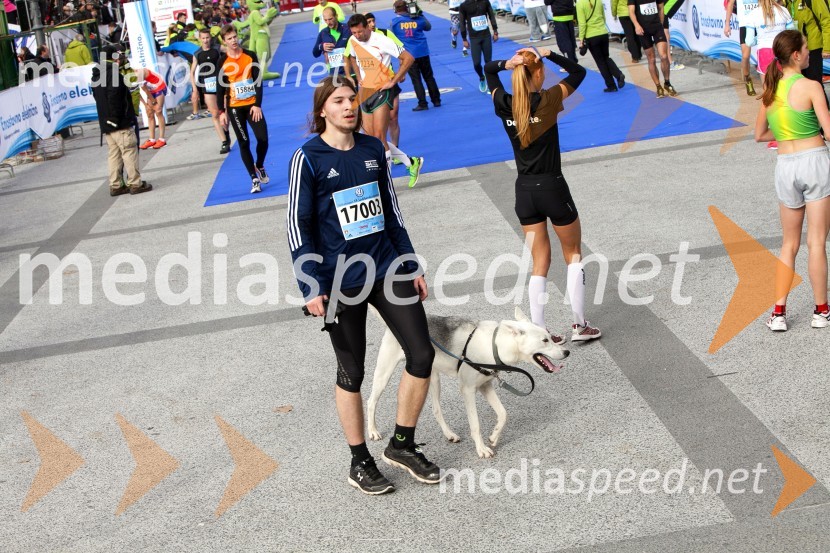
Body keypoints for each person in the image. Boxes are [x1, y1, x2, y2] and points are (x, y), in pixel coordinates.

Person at [287, 76, 441, 495]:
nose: (349, 106)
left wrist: (410, 262)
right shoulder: (308, 158)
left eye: (352, 99)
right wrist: (310, 285)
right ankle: (359, 461)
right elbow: (298, 225)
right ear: (323, 110)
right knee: (352, 372)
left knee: (422, 353)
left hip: (387, 266)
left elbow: (391, 212)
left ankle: (402, 444)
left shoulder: (373, 148)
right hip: (339, 279)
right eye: (338, 100)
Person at [484, 47, 602, 342]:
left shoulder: (503, 103)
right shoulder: (548, 100)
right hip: (552, 186)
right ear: (538, 74)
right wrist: (550, 53)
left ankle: (539, 329)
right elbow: (579, 72)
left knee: (539, 262)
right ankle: (579, 325)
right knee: (573, 253)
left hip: (524, 192)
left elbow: (488, 70)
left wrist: (506, 63)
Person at [754, 30, 830, 331]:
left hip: (785, 166)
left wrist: (787, 133)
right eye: (806, 48)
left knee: (789, 244)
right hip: (814, 163)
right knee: (816, 242)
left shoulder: (770, 89)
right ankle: (820, 311)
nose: (810, 52)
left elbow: (760, 135)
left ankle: (778, 313)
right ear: (796, 55)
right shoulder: (811, 86)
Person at [344, 14, 423, 187]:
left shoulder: (382, 40)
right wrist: (358, 78)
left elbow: (408, 58)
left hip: (382, 90)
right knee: (370, 139)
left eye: (360, 32)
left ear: (367, 27)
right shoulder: (352, 40)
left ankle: (385, 183)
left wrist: (393, 81)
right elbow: (352, 57)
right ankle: (411, 162)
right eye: (354, 32)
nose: (357, 35)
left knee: (380, 135)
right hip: (365, 91)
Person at [91, 47, 152, 196]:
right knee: (129, 151)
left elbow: (98, 97)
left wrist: (109, 119)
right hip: (119, 122)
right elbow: (115, 97)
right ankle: (135, 183)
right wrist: (117, 118)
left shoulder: (96, 75)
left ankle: (116, 185)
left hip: (106, 122)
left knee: (114, 154)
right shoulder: (113, 73)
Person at [216, 25, 270, 194]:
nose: (233, 41)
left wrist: (257, 104)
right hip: (235, 107)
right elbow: (220, 88)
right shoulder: (222, 61)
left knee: (263, 139)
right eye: (229, 39)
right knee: (243, 142)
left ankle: (259, 164)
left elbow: (258, 81)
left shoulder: (250, 55)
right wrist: (221, 112)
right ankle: (254, 178)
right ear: (224, 42)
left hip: (252, 104)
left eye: (234, 37)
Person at [391, 0, 441, 110]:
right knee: (429, 77)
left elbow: (393, 39)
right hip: (422, 52)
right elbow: (428, 27)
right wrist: (420, 14)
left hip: (409, 55)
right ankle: (436, 100)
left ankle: (423, 103)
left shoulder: (394, 23)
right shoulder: (418, 19)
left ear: (395, 10)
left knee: (416, 80)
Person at [365, 12, 405, 151]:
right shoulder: (357, 39)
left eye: (373, 21)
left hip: (390, 81)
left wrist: (401, 72)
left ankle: (396, 149)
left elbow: (402, 51)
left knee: (393, 118)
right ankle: (383, 150)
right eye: (368, 22)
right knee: (378, 125)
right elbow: (349, 57)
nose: (372, 24)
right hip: (371, 86)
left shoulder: (385, 33)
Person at [192, 27, 232, 154]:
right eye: (203, 38)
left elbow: (232, 50)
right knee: (215, 114)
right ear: (200, 39)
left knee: (225, 111)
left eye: (207, 38)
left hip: (221, 83)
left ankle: (226, 131)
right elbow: (191, 72)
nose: (205, 40)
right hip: (207, 86)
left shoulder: (217, 48)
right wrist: (195, 89)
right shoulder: (197, 54)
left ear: (211, 38)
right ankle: (224, 142)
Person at [629, 0, 677, 98]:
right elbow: (631, 12)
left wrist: (661, 23)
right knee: (651, 59)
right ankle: (658, 86)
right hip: (643, 30)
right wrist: (637, 26)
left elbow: (661, 7)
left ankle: (667, 83)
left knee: (664, 56)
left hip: (657, 28)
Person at [577, 0, 625, 92]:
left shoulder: (580, 3)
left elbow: (582, 24)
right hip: (603, 33)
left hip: (591, 36)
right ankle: (618, 74)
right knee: (606, 57)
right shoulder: (598, 0)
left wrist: (581, 39)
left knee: (601, 62)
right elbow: (603, 17)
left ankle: (611, 85)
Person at [459, 0, 499, 93]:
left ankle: (491, 85)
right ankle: (481, 77)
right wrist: (464, 39)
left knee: (488, 62)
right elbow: (462, 23)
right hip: (474, 38)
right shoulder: (464, 5)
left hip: (486, 36)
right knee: (476, 63)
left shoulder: (485, 2)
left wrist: (495, 31)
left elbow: (491, 16)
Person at [787, 0, 830, 86]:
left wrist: (827, 48)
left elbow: (826, 21)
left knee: (814, 82)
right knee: (801, 82)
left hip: (813, 46)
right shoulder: (788, 2)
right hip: (797, 47)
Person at [724, 0, 757, 96]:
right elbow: (730, 4)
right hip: (745, 24)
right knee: (746, 56)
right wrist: (727, 24)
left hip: (759, 22)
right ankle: (747, 79)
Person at [312, 6, 352, 76]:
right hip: (334, 75)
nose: (328, 22)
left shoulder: (348, 29)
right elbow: (315, 53)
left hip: (351, 72)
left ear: (336, 16)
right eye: (325, 20)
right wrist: (321, 47)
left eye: (330, 19)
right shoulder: (323, 33)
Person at [135, 67, 168, 149]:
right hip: (150, 89)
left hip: (159, 87)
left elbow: (145, 90)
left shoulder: (139, 74)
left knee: (158, 111)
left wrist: (154, 102)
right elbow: (135, 93)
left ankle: (162, 139)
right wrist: (145, 105)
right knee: (149, 114)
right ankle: (152, 140)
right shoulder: (126, 78)